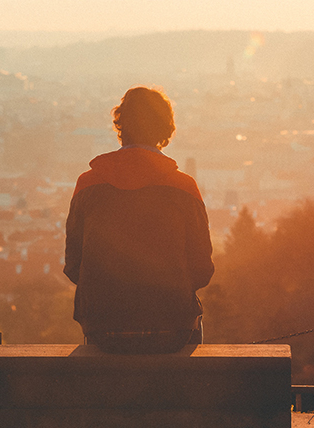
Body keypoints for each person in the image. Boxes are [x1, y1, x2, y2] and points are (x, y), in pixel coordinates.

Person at [63, 86, 214, 354]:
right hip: (172, 328)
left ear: (121, 127)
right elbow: (202, 268)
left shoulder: (87, 185)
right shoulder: (184, 188)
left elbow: (74, 265)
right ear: (164, 129)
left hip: (103, 329)